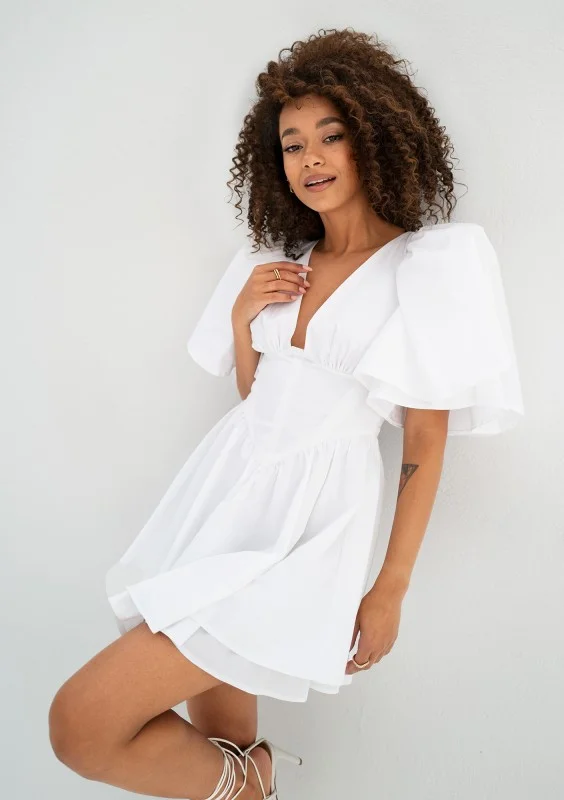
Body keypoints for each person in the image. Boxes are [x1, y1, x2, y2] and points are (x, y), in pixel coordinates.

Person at [48, 27, 524, 800]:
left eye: (330, 136)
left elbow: (425, 433)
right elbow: (260, 397)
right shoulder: (276, 265)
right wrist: (243, 320)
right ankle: (246, 778)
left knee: (80, 725)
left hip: (308, 524)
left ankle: (252, 782)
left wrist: (391, 586)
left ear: (374, 136)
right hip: (225, 499)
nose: (310, 159)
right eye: (292, 145)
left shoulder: (427, 267)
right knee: (219, 740)